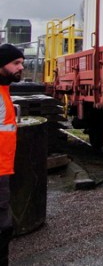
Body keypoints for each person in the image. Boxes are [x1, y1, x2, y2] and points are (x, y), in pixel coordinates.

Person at [0, 44, 23, 266]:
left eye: (22, 63)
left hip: (3, 168)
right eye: (16, 63)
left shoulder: (4, 91)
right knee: (3, 226)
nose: (21, 67)